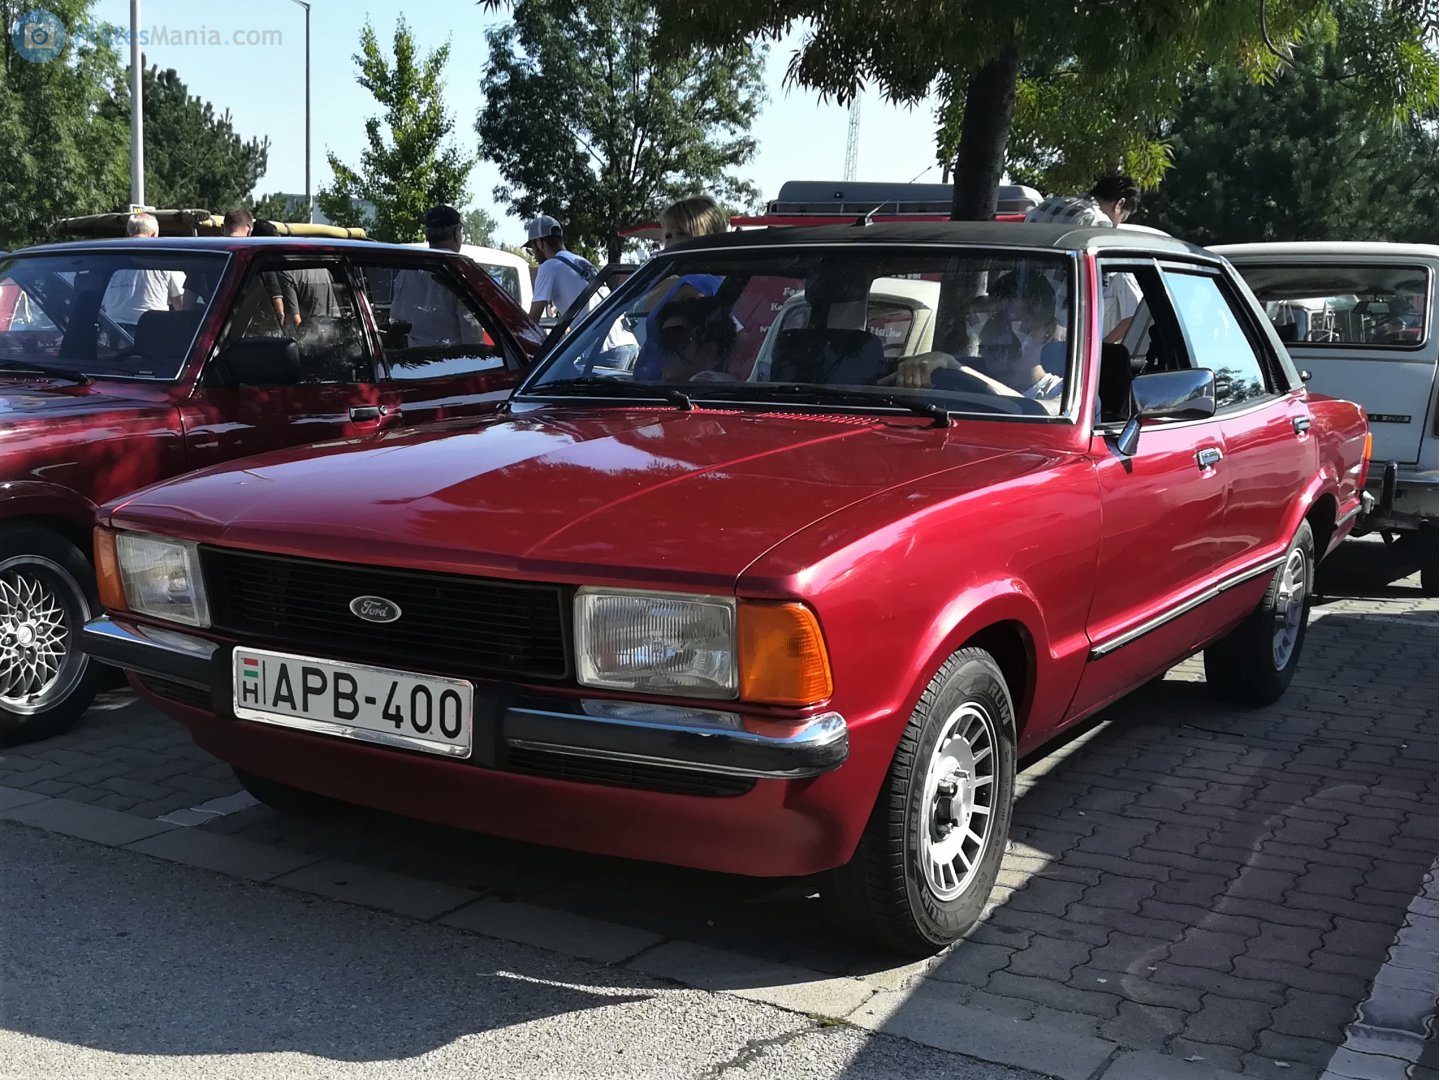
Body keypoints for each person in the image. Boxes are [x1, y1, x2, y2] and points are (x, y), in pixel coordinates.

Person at [891, 270, 1064, 403]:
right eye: (992, 316)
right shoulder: (948, 381)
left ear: (1047, 332)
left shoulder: (1061, 393)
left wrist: (954, 365)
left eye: (1017, 319)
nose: (1000, 330)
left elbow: (1041, 411)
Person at [632, 195, 729, 380]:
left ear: (710, 236)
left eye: (682, 234)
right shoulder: (721, 282)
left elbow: (681, 354)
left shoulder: (692, 285)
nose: (672, 243)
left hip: (659, 396)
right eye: (668, 236)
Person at [524, 213, 636, 366]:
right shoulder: (580, 261)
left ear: (539, 243)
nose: (534, 256)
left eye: (532, 248)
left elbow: (532, 321)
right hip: (628, 342)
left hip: (604, 349)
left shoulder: (548, 267)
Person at [389, 205, 486, 347]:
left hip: (411, 361)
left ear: (428, 235)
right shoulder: (460, 273)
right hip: (453, 364)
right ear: (456, 235)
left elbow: (396, 319)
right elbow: (471, 331)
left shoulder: (406, 273)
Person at [101, 212, 188, 331]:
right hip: (152, 330)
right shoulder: (165, 258)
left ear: (128, 233)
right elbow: (182, 304)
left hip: (112, 330)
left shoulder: (110, 259)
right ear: (154, 234)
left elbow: (102, 302)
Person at [652, 294, 738, 383]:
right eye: (662, 339)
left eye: (676, 337)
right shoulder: (652, 391)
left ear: (709, 351)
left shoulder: (713, 389)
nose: (665, 348)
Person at [1025, 174, 1141, 227]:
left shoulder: (1047, 204)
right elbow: (1110, 275)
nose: (1117, 225)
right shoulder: (1098, 222)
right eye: (1122, 218)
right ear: (1119, 205)